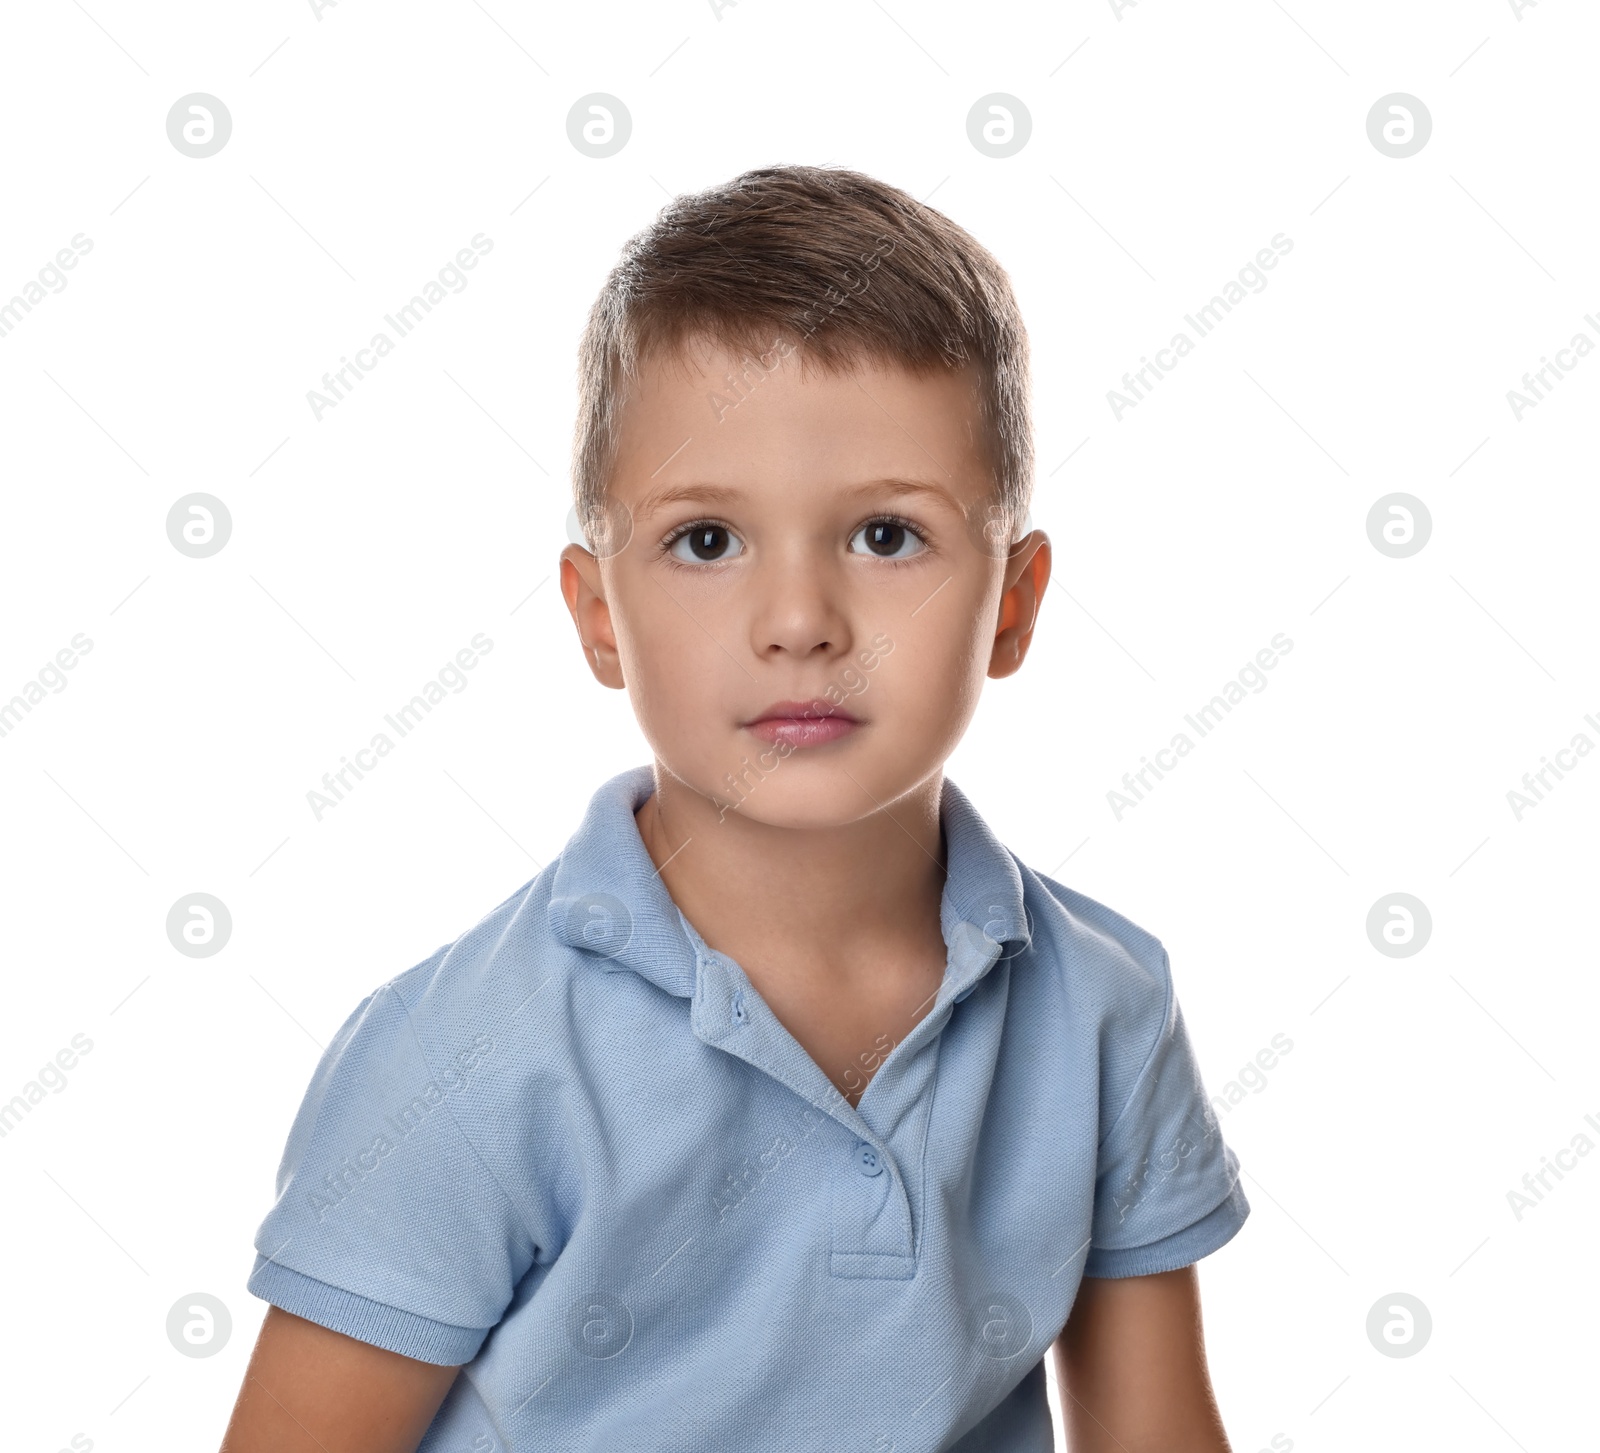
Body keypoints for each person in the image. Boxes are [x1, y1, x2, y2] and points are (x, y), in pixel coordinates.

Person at [220, 163, 1248, 1453]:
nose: (801, 625)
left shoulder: (1105, 1009)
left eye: (887, 536)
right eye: (707, 541)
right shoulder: (459, 1063)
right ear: (600, 616)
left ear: (1016, 603)